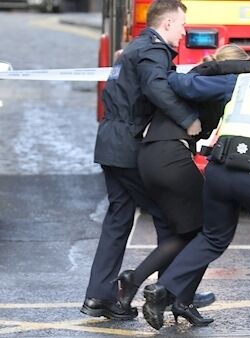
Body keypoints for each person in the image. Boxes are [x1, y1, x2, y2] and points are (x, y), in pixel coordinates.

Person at [141, 39, 250, 334]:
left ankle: (164, 289)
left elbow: (188, 86)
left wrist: (163, 73)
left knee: (213, 237)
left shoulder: (240, 82)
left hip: (219, 169)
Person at [81, 0, 213, 320]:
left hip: (110, 142)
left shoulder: (134, 48)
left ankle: (100, 295)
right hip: (127, 147)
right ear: (166, 24)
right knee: (171, 218)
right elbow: (156, 88)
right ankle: (173, 289)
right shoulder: (152, 50)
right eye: (181, 25)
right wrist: (188, 120)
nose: (184, 32)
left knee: (118, 219)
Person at [116, 44, 250, 325]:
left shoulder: (200, 77)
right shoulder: (218, 84)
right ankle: (171, 295)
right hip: (170, 157)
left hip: (152, 156)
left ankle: (146, 285)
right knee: (206, 232)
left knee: (182, 233)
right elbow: (220, 71)